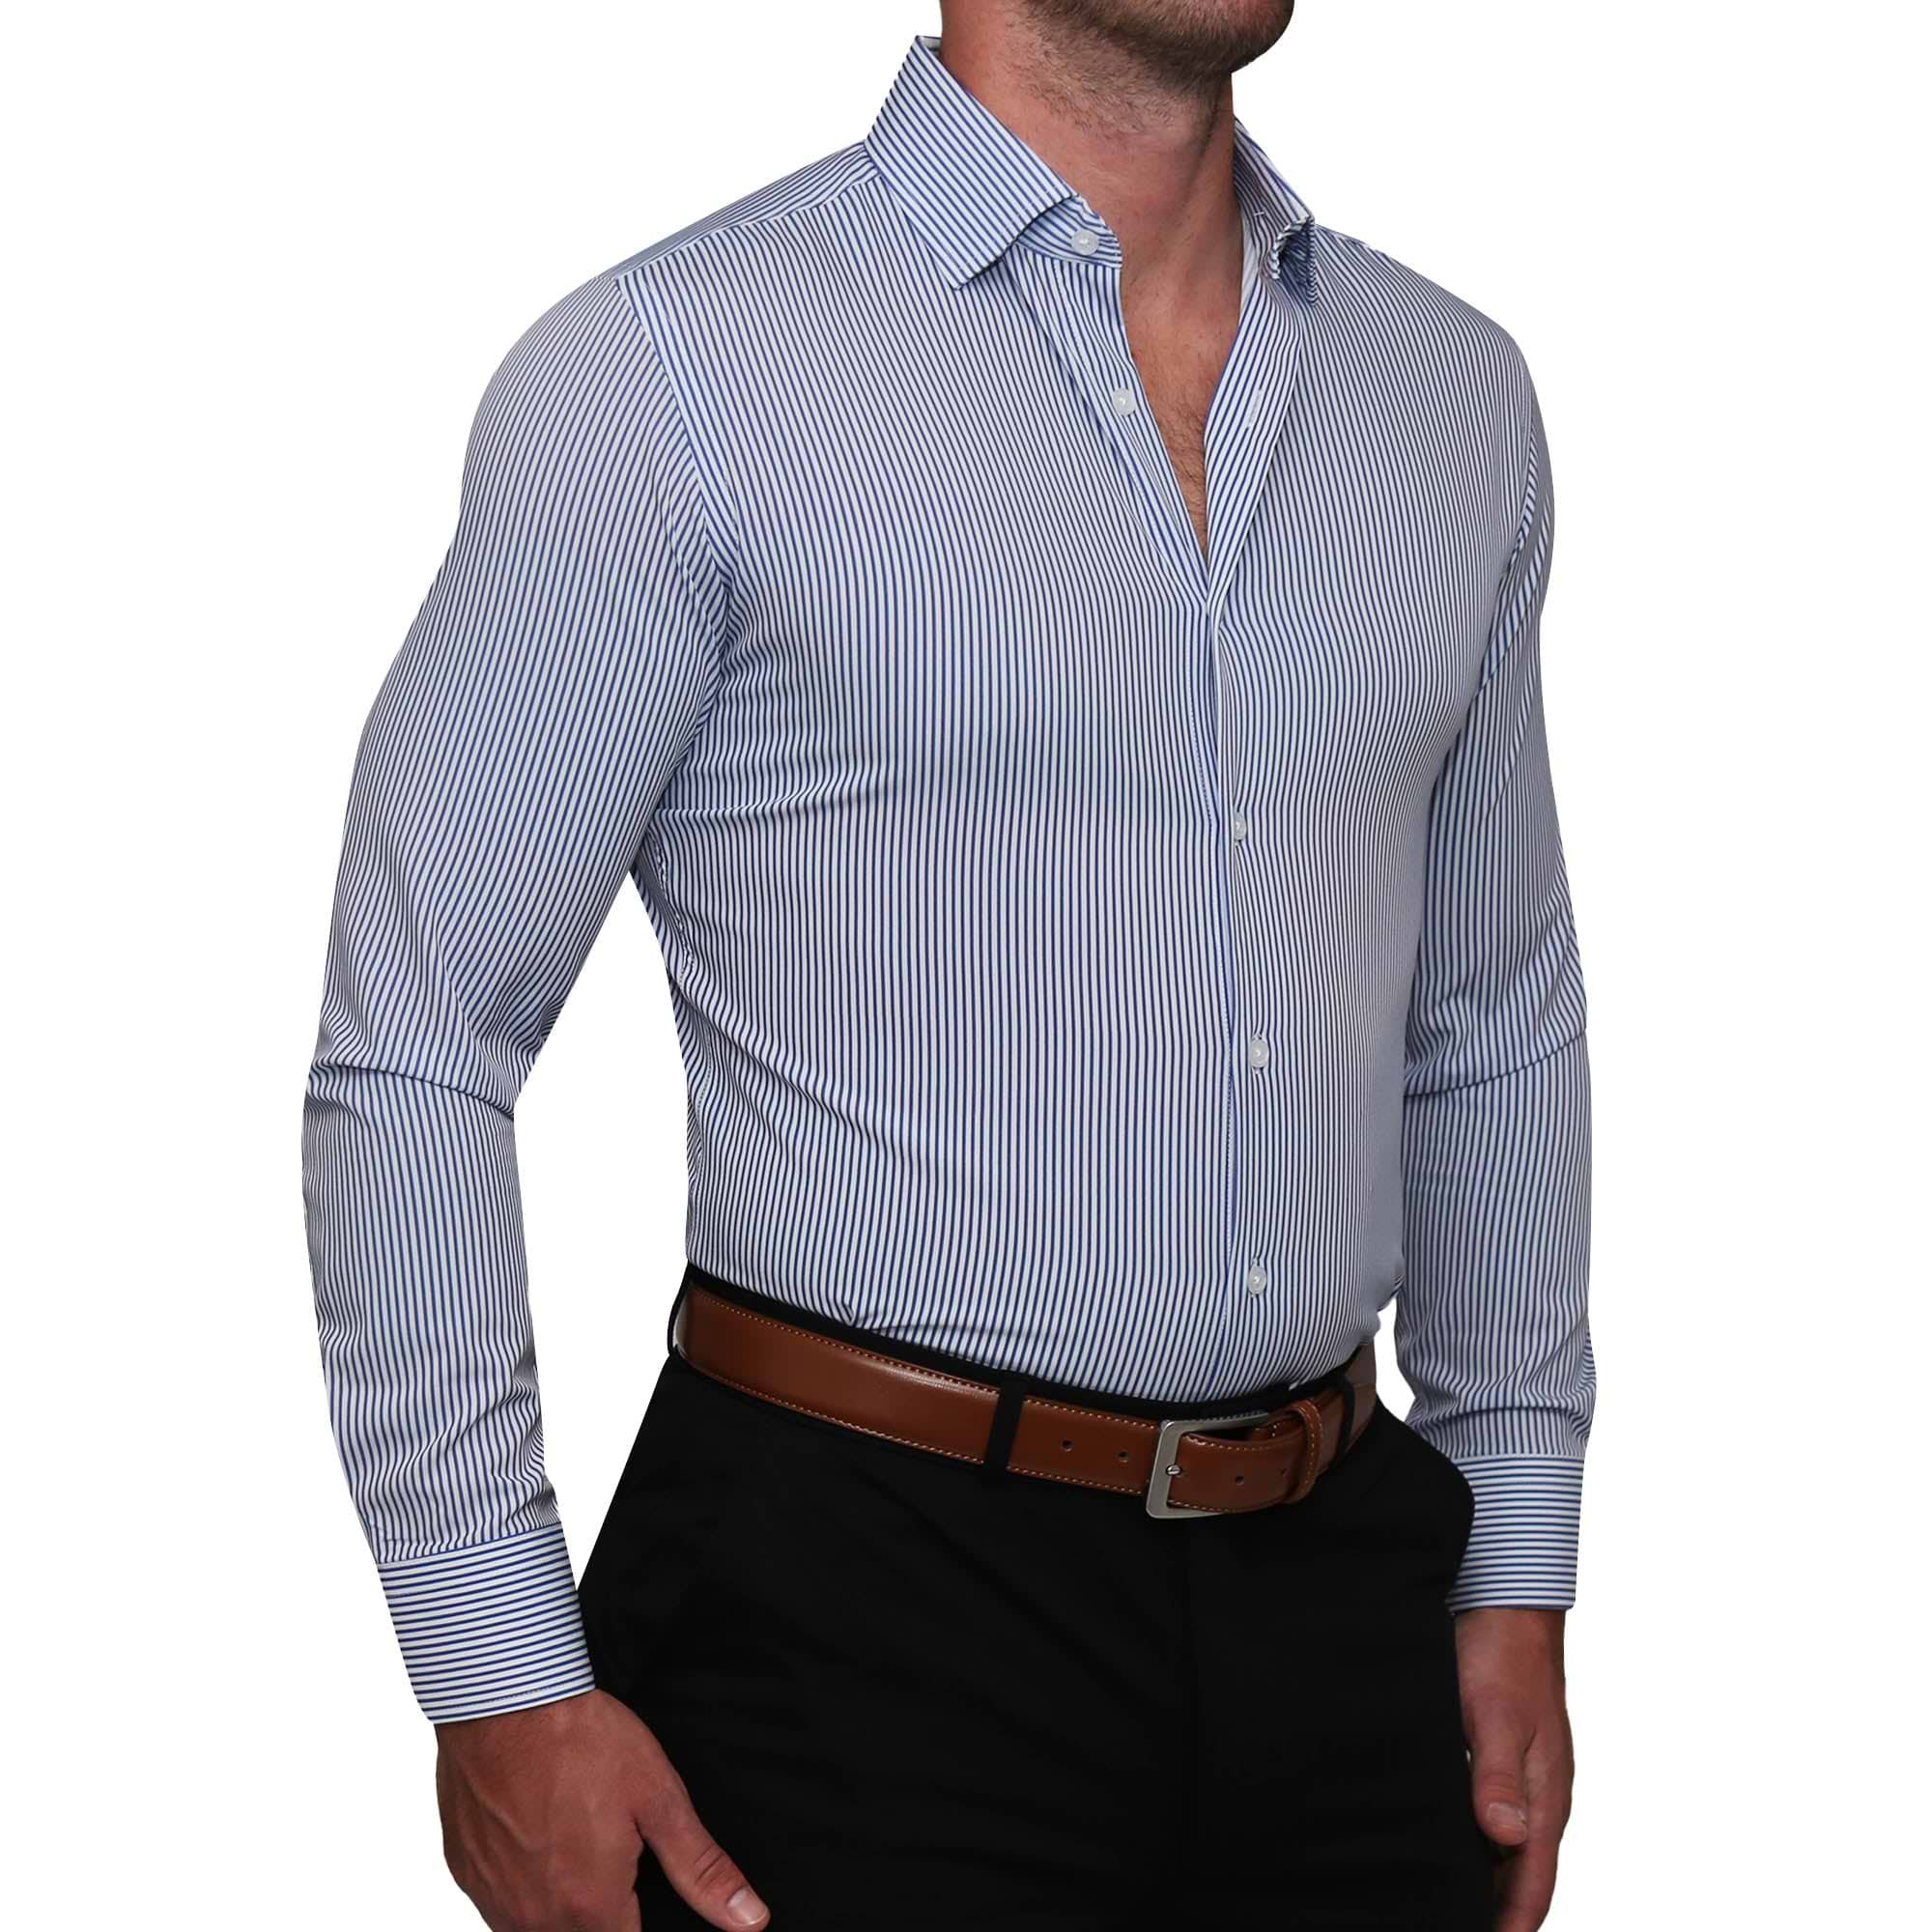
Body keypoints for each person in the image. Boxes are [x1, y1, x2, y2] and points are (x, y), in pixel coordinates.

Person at [299, 6, 1593, 1928]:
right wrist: (494, 1672)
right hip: (848, 1605)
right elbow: (420, 1032)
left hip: (1343, 1598)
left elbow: (1490, 1012)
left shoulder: (1449, 392)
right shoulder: (671, 373)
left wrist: (1514, 1556)